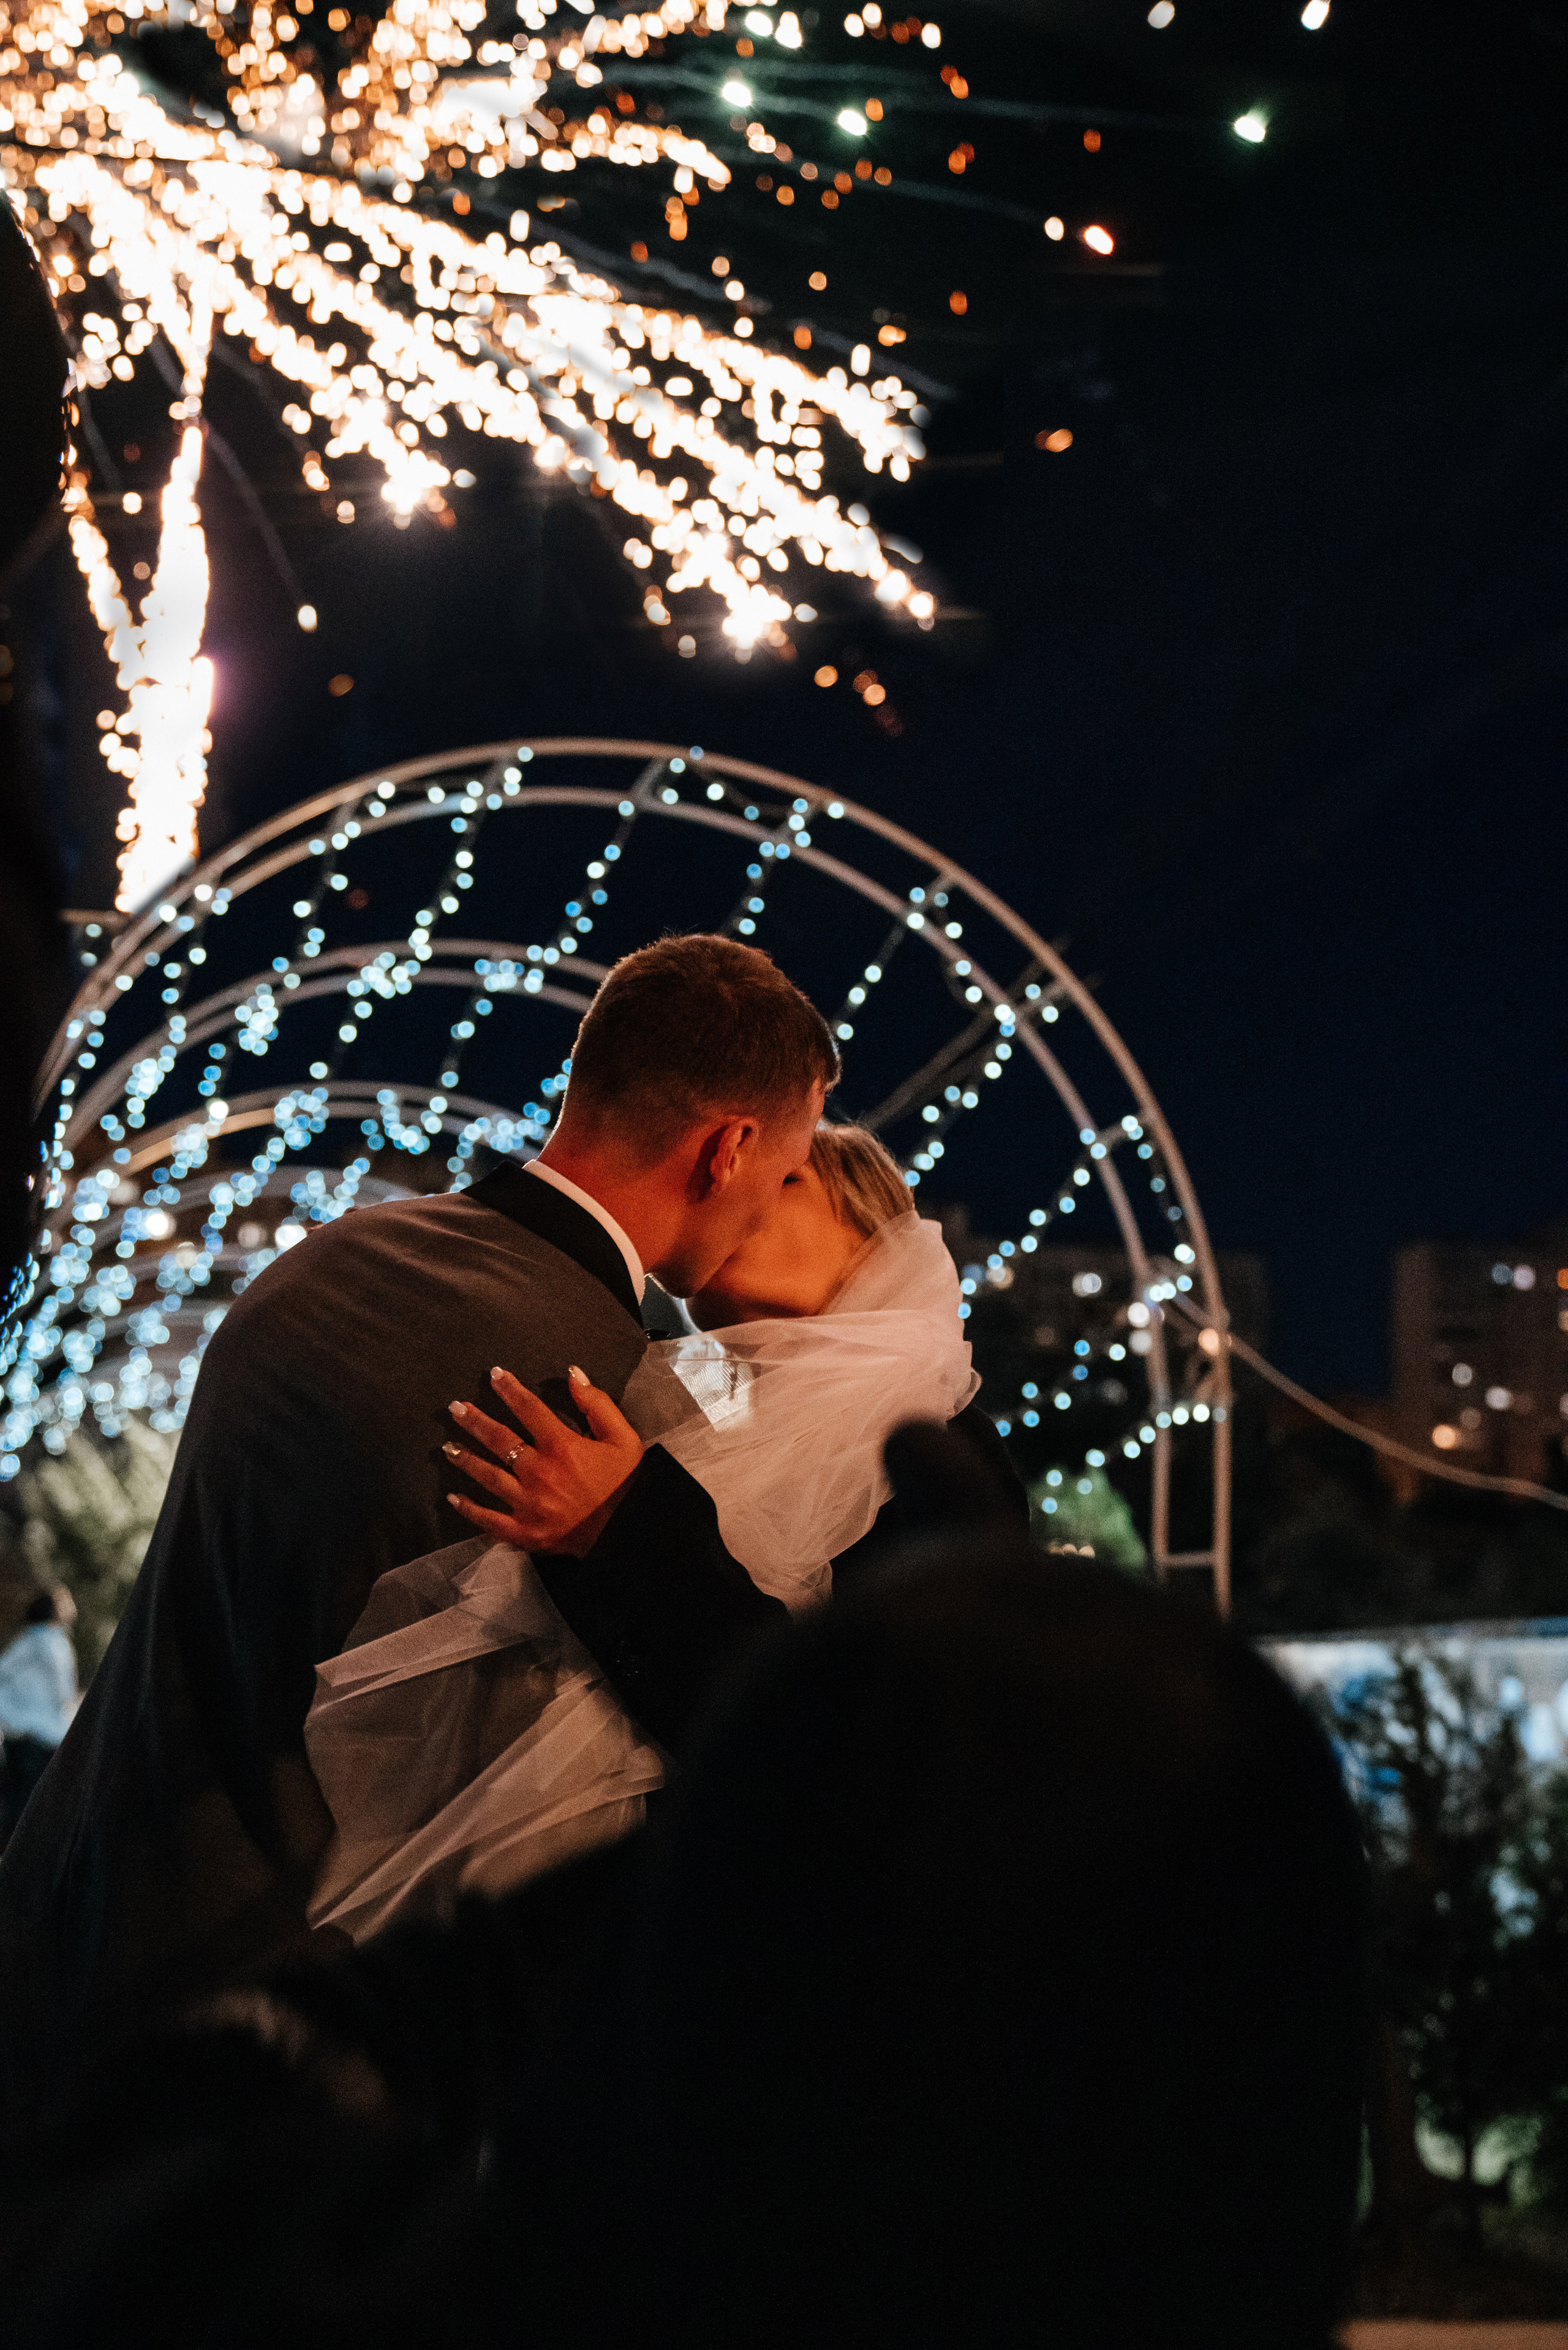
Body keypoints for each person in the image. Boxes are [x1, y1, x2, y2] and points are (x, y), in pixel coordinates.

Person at [0, 933, 837, 2137]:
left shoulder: (328, 1258)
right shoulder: (607, 1390)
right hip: (263, 2037)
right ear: (729, 1148)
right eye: (788, 1171)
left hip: (71, 1907)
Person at [301, 1125, 1009, 1940]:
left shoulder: (937, 1442)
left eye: (785, 1179)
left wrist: (619, 1527)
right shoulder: (679, 1391)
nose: (741, 1194)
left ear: (872, 1235)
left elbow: (857, 1740)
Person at [0, 1586, 78, 1849]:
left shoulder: (28, 1639)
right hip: (41, 1737)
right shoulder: (52, 1642)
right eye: (66, 1600)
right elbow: (63, 1693)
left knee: (20, 1804)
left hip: (22, 1734)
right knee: (35, 1808)